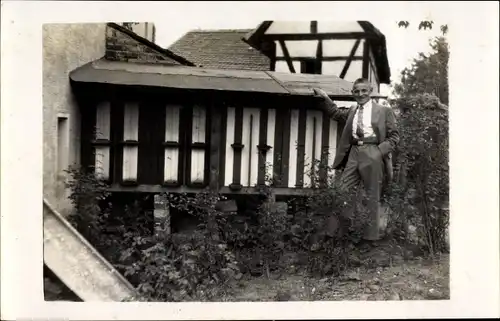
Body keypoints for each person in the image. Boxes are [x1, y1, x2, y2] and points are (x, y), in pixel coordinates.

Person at [313, 78, 399, 247]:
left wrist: (378, 152)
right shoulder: (353, 110)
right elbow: (336, 113)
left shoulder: (383, 111)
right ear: (353, 93)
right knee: (341, 192)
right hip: (353, 153)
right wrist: (325, 98)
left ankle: (370, 239)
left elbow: (394, 136)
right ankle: (332, 235)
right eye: (357, 91)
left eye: (364, 91)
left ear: (371, 90)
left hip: (373, 151)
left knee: (372, 195)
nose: (360, 94)